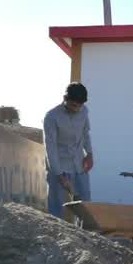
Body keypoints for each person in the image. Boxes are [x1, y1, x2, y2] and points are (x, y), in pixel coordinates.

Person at [43, 82, 94, 217]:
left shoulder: (84, 111)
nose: (76, 109)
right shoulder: (51, 117)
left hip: (79, 165)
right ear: (65, 98)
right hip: (59, 167)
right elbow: (51, 148)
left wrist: (89, 154)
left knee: (86, 205)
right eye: (73, 105)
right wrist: (59, 175)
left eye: (79, 106)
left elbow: (85, 134)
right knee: (56, 208)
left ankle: (84, 236)